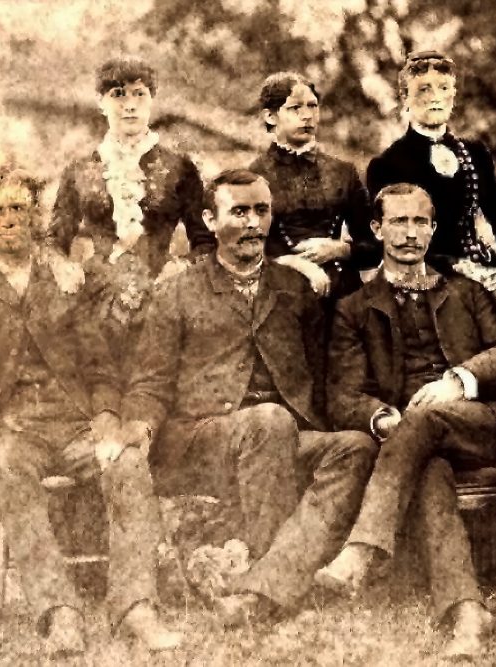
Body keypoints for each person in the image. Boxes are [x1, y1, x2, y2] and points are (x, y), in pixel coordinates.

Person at [0, 164, 180, 657]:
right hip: (2, 432)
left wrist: (105, 421)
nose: (9, 220)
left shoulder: (63, 283)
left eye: (19, 208)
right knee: (11, 472)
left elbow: (99, 366)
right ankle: (60, 614)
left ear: (36, 216)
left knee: (128, 463)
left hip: (72, 423)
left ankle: (137, 605)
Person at [114, 169, 377, 625]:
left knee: (355, 448)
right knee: (268, 421)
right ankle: (273, 591)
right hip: (200, 439)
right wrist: (139, 430)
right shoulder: (178, 291)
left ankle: (268, 585)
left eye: (261, 211)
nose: (253, 224)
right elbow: (149, 381)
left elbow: (321, 371)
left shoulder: (294, 288)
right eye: (239, 212)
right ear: (210, 221)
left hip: (282, 431)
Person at [315, 183, 496, 660]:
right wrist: (381, 417)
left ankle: (362, 550)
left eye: (420, 222)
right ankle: (467, 612)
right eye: (399, 222)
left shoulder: (466, 293)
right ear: (376, 228)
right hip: (411, 441)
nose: (410, 234)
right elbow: (342, 394)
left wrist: (461, 378)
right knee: (428, 471)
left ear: (433, 228)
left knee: (423, 423)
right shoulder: (353, 310)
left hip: (480, 426)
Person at [47, 56, 214, 356]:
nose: (130, 105)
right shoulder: (79, 170)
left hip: (163, 295)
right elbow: (54, 242)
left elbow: (206, 243)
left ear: (152, 100)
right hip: (94, 301)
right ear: (101, 102)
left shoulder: (180, 168)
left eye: (140, 94)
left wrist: (180, 266)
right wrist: (64, 267)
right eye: (118, 94)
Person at [366, 51, 496, 307]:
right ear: (405, 99)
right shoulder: (388, 164)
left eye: (444, 88)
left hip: (485, 273)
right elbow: (393, 241)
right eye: (424, 90)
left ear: (453, 95)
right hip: (426, 279)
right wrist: (453, 266)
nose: (436, 98)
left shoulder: (475, 152)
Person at [248, 72, 378, 299]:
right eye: (295, 108)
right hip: (280, 295)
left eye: (313, 106)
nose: (307, 116)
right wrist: (290, 262)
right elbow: (243, 250)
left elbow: (374, 248)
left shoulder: (343, 172)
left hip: (343, 295)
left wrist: (341, 249)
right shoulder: (254, 176)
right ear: (270, 116)